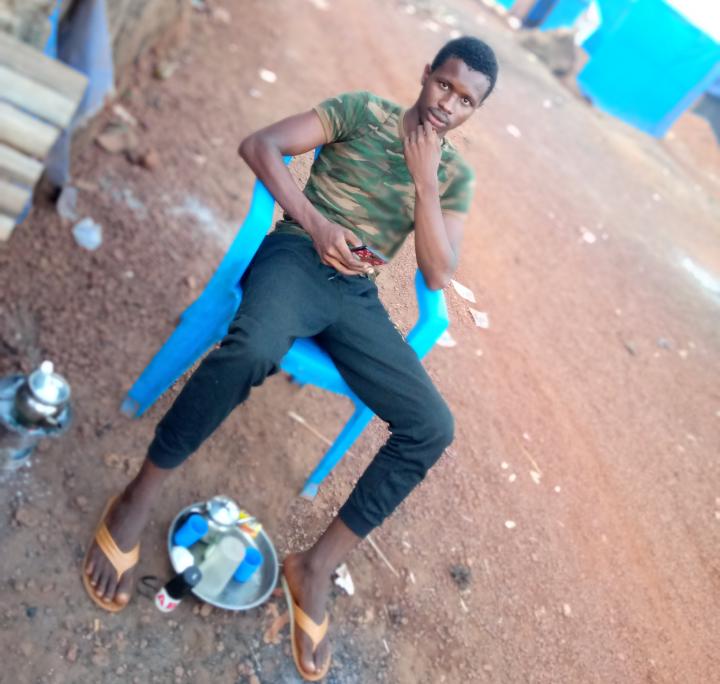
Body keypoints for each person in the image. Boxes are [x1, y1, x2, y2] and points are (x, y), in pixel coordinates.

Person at [83, 35, 498, 681]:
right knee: (251, 347)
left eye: (466, 100)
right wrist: (314, 221)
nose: (449, 103)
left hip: (355, 296)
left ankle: (315, 568)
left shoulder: (455, 177)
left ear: (475, 111)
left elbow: (439, 274)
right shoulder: (363, 111)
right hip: (297, 255)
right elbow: (260, 145)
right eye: (444, 85)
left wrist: (425, 181)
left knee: (431, 427)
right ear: (426, 75)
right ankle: (138, 496)